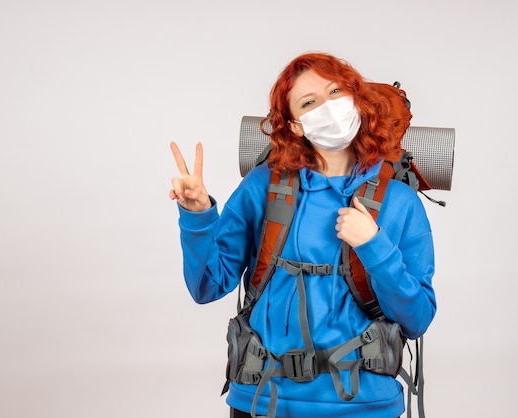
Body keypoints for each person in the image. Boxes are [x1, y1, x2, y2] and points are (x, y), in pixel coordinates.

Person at [169, 52, 436, 418]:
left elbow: (417, 319)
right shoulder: (263, 187)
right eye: (309, 103)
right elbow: (206, 286)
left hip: (364, 406)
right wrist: (197, 215)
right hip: (263, 402)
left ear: (356, 99)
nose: (328, 107)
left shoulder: (400, 201)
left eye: (336, 92)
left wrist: (374, 246)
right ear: (295, 125)